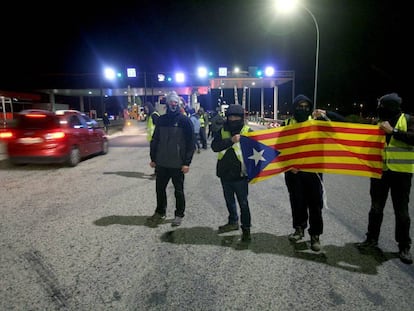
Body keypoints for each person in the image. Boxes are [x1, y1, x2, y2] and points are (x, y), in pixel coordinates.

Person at [357, 93, 414, 264]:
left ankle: (404, 246)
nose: (379, 109)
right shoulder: (379, 122)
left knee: (401, 212)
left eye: (381, 106)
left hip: (401, 174)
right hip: (380, 172)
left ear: (389, 106)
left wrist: (394, 132)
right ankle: (371, 240)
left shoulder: (409, 119)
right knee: (376, 208)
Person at [283, 94, 346, 251]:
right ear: (294, 108)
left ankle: (315, 235)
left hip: (313, 173)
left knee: (315, 205)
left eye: (306, 107)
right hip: (293, 172)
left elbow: (342, 128)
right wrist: (288, 165)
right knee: (297, 202)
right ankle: (299, 229)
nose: (303, 109)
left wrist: (326, 114)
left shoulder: (318, 124)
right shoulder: (286, 124)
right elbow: (279, 147)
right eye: (299, 106)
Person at [146, 91, 195, 227]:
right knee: (159, 189)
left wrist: (187, 162)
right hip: (161, 163)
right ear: (167, 104)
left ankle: (179, 214)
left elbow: (191, 142)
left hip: (178, 164)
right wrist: (153, 158)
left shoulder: (185, 121)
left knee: (178, 191)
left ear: (178, 104)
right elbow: (155, 140)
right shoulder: (161, 120)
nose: (173, 105)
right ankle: (160, 211)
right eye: (171, 102)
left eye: (175, 102)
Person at [211, 104, 253, 242]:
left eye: (236, 116)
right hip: (224, 173)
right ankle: (233, 222)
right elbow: (215, 147)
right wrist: (231, 140)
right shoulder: (222, 130)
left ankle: (246, 229)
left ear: (241, 117)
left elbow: (258, 151)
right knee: (229, 201)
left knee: (243, 204)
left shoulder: (248, 131)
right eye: (230, 116)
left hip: (241, 175)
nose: (233, 119)